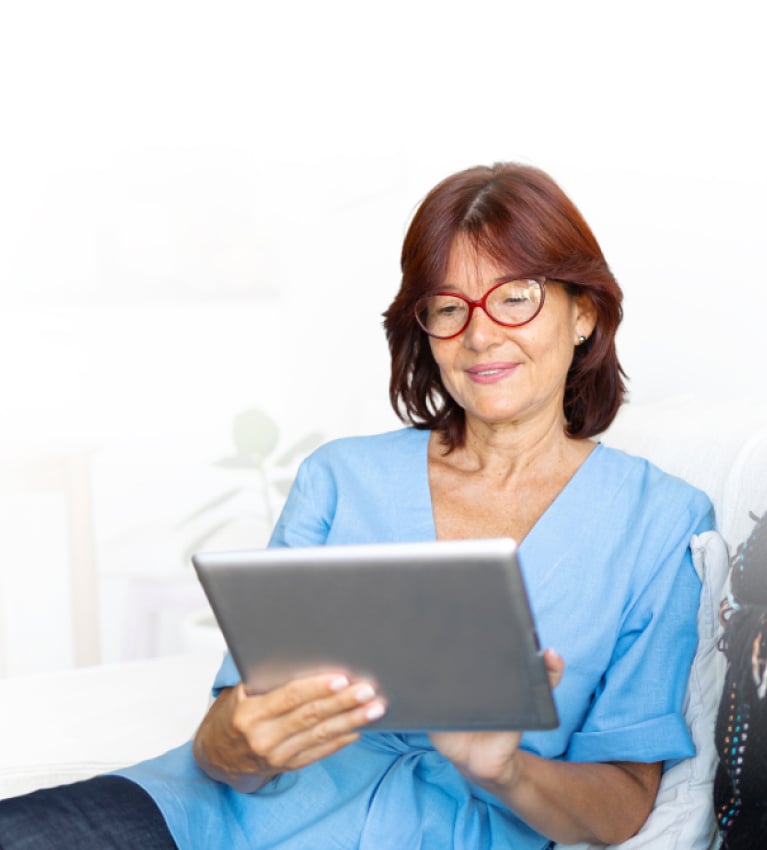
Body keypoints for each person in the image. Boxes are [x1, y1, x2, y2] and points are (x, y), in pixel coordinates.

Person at [0, 162, 714, 850]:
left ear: (583, 312)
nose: (480, 333)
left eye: (515, 296)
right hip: (207, 821)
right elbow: (226, 742)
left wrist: (503, 767)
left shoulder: (661, 522)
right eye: (446, 306)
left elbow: (623, 800)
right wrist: (238, 745)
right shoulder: (340, 479)